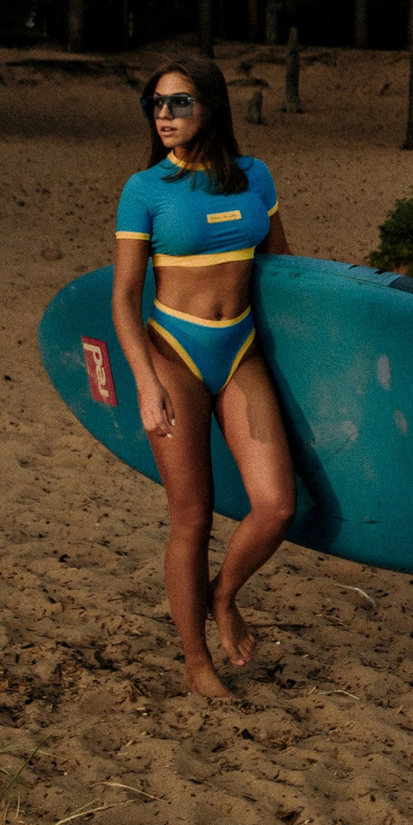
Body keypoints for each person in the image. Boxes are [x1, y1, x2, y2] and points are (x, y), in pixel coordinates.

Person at [111, 56, 296, 698]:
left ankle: (224, 596)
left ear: (211, 107)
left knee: (274, 508)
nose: (164, 115)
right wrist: (145, 382)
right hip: (173, 356)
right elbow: (123, 298)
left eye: (179, 103)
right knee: (192, 518)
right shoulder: (145, 189)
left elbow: (284, 269)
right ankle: (196, 665)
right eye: (156, 104)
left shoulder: (254, 178)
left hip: (239, 349)